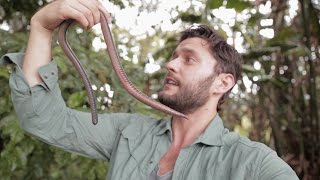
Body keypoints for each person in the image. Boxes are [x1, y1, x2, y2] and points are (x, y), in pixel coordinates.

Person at [0, 0, 299, 179]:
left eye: (188, 59)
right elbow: (43, 120)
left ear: (223, 83)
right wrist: (41, 27)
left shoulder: (252, 161)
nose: (170, 65)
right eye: (173, 56)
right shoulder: (127, 132)